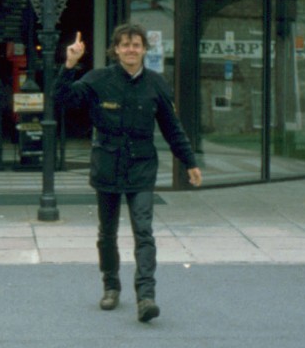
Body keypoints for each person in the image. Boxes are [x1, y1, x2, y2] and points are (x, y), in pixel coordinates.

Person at [54, 23, 202, 323]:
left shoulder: (157, 84)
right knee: (106, 233)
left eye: (136, 45)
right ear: (116, 49)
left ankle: (146, 296)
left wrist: (189, 162)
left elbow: (171, 127)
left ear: (144, 49)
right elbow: (63, 100)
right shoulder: (98, 79)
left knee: (143, 231)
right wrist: (69, 64)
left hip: (141, 167)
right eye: (125, 45)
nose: (131, 50)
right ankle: (111, 286)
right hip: (107, 165)